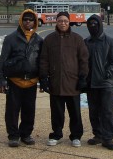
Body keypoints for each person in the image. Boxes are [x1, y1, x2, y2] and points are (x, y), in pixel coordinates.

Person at [39, 11, 89, 148]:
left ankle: (76, 136)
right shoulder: (49, 39)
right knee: (56, 112)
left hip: (73, 82)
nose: (63, 23)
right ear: (56, 22)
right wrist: (43, 77)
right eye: (60, 21)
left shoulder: (77, 39)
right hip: (56, 82)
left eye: (65, 21)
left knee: (75, 113)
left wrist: (83, 77)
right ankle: (56, 134)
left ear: (69, 22)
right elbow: (44, 60)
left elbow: (84, 60)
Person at [0, 9, 43, 147]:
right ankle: (13, 135)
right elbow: (3, 60)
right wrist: (0, 79)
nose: (28, 22)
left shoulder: (39, 40)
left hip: (31, 81)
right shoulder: (11, 38)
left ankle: (26, 134)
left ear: (35, 22)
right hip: (14, 80)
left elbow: (42, 62)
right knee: (12, 110)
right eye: (25, 19)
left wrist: (43, 79)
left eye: (31, 19)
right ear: (21, 21)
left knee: (29, 110)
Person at [84, 14, 113, 150]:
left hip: (106, 83)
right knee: (93, 111)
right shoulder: (86, 42)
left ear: (100, 25)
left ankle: (108, 137)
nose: (92, 27)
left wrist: (107, 74)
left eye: (95, 24)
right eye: (90, 24)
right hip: (91, 83)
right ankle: (98, 134)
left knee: (107, 111)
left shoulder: (110, 41)